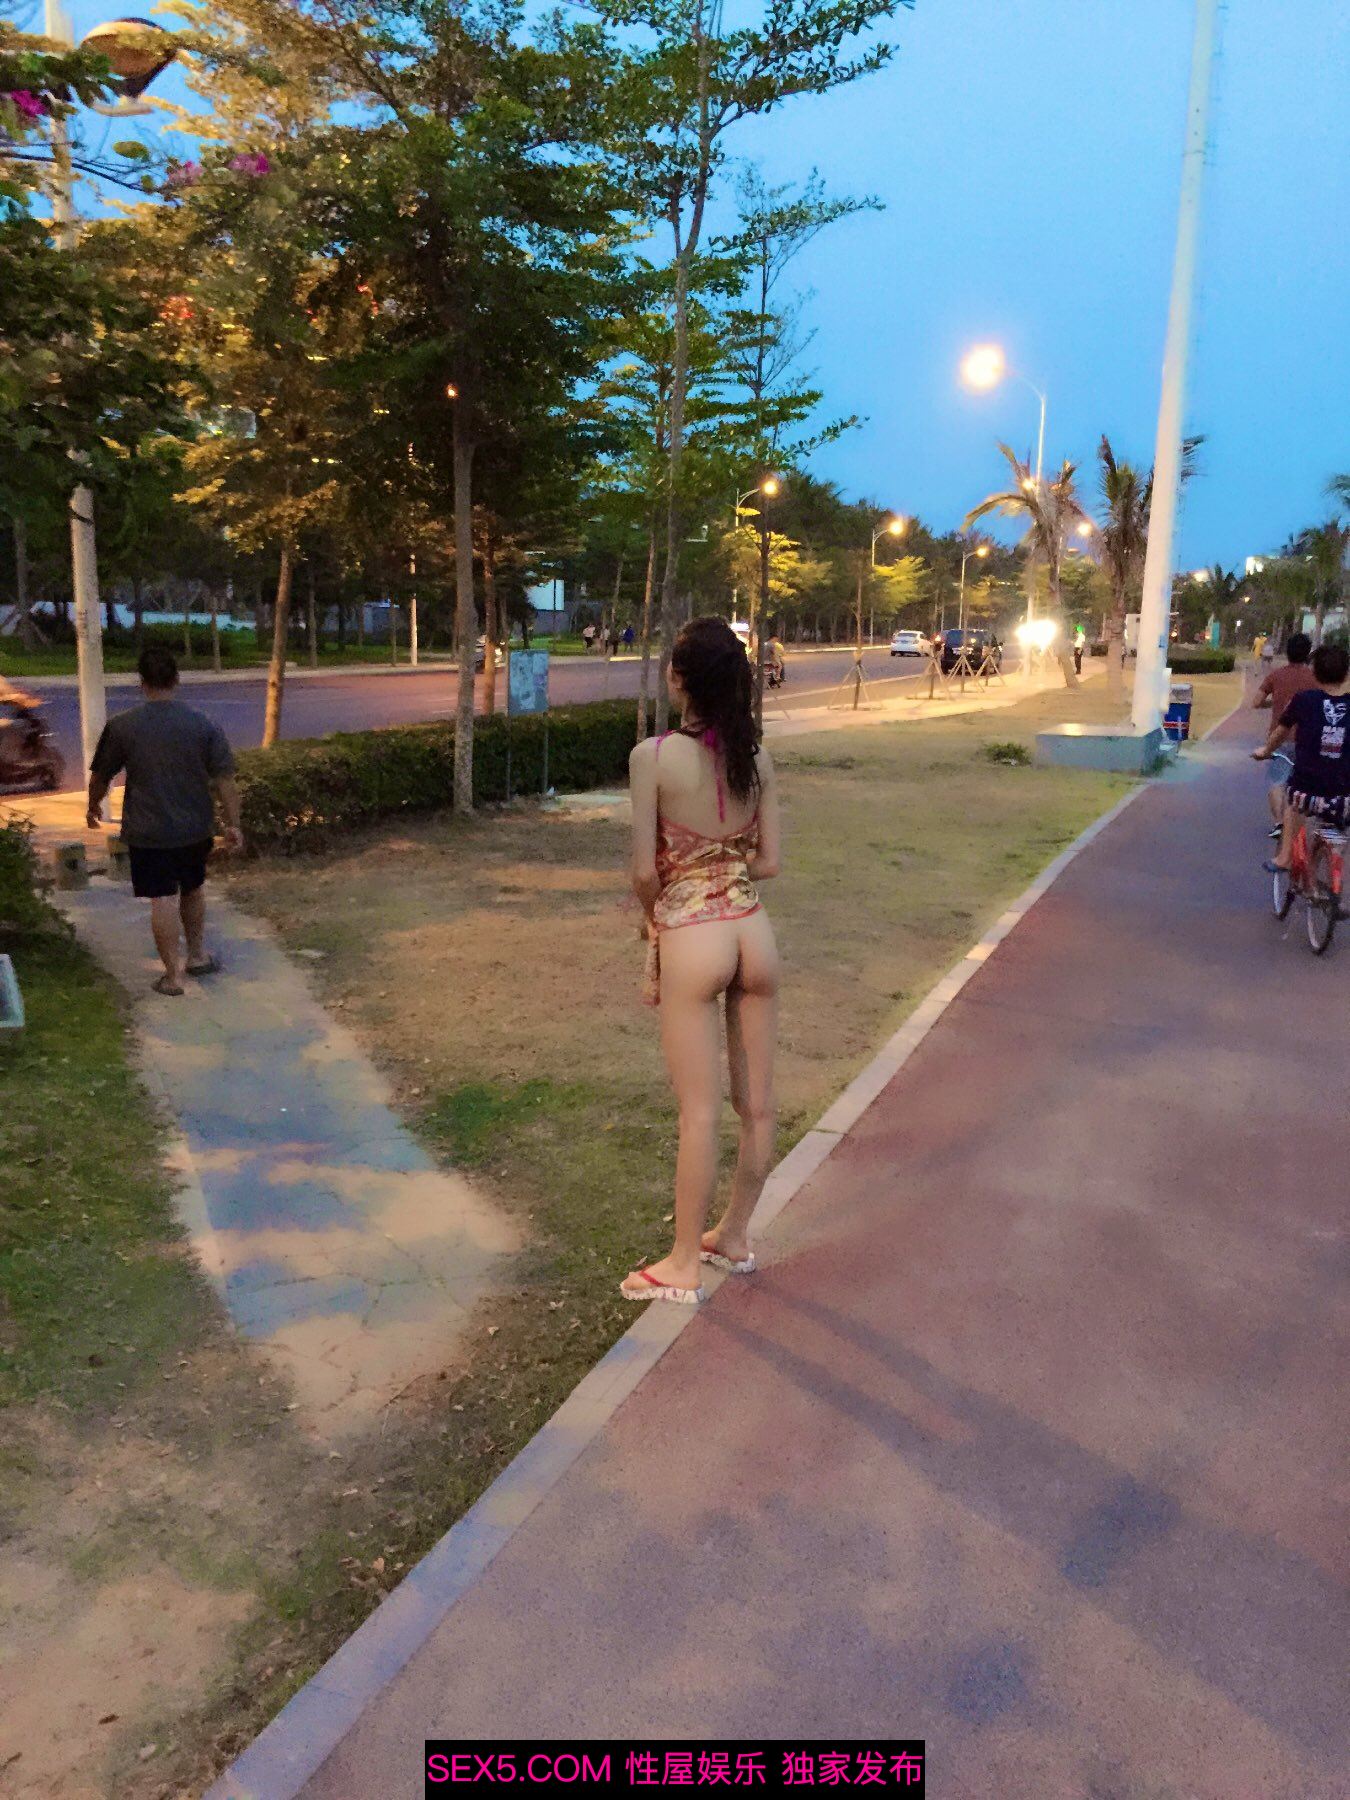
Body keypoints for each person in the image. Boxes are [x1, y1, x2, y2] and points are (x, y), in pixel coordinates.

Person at [623, 617, 782, 1304]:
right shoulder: (757, 759)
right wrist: (726, 862)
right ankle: (733, 1236)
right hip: (753, 932)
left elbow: (643, 872)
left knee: (699, 1112)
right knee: (758, 1108)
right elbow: (769, 862)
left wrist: (656, 917)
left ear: (681, 679)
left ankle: (684, 1261)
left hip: (693, 934)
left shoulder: (652, 757)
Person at [87, 646, 243, 996]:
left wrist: (93, 806)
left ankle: (172, 977)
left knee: (162, 898)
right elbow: (224, 780)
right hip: (194, 827)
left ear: (142, 683)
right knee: (193, 888)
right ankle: (197, 956)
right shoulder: (203, 723)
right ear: (176, 679)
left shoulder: (123, 726)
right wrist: (234, 824)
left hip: (149, 831)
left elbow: (101, 776)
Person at [1253, 642, 1350, 871]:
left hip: (1307, 791)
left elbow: (1280, 733)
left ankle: (1285, 858)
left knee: (1293, 804)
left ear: (1315, 673)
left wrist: (1266, 751)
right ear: (1346, 674)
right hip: (1344, 794)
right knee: (1339, 819)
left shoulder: (1304, 700)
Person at [1253, 632, 1317, 836]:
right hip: (1307, 740)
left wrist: (1276, 704)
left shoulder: (1276, 675)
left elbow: (1256, 702)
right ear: (1308, 653)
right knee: (1303, 784)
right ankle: (1296, 827)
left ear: (1287, 652)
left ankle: (1279, 823)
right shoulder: (1315, 678)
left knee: (1277, 781)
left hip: (1279, 738)